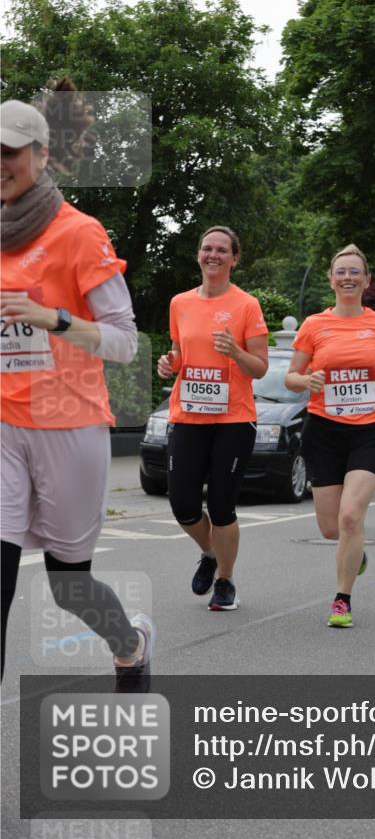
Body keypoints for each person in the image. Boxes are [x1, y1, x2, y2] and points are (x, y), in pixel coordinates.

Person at [0, 85, 152, 683]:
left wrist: (56, 320)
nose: (0, 166)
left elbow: (123, 340)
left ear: (40, 153)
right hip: (4, 425)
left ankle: (130, 645)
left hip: (69, 424)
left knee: (68, 585)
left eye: (9, 152)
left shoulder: (79, 233)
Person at [284, 244, 375, 628]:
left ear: (366, 280)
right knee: (330, 528)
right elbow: (289, 376)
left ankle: (342, 600)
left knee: (349, 517)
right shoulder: (313, 325)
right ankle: (355, 554)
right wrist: (305, 379)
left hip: (370, 430)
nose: (347, 277)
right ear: (331, 280)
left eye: (354, 272)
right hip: (323, 430)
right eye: (341, 271)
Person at [156, 226, 268, 611]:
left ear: (234, 258)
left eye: (222, 250)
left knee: (221, 506)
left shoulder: (247, 305)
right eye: (207, 248)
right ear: (198, 255)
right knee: (183, 504)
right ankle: (209, 552)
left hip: (233, 419)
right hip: (187, 415)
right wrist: (168, 365)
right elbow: (178, 354)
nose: (213, 255)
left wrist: (236, 352)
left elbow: (260, 368)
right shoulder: (180, 303)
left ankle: (225, 580)